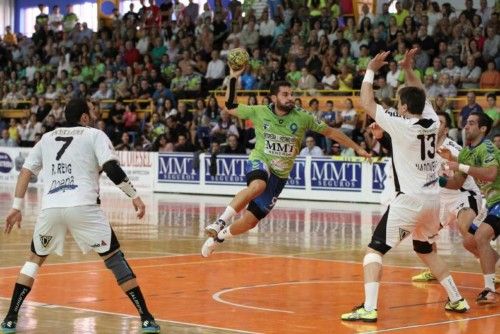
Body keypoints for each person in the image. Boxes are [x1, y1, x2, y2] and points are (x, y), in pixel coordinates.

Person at [0, 99, 160, 333]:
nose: (95, 115)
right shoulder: (94, 135)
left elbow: (26, 172)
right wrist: (134, 196)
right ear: (84, 117)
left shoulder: (46, 138)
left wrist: (16, 207)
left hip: (51, 209)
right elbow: (112, 168)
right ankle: (146, 318)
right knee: (115, 260)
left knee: (33, 261)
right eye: (92, 111)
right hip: (84, 207)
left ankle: (10, 319)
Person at [341, 49, 470, 323]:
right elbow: (419, 92)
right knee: (425, 249)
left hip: (409, 201)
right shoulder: (433, 121)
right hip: (432, 200)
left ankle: (370, 308)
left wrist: (370, 68)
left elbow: (366, 101)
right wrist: (409, 68)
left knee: (375, 250)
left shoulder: (401, 124)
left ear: (402, 107)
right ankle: (457, 299)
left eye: (399, 102)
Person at [201, 67, 370, 257]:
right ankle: (220, 221)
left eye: (291, 94)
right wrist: (233, 77)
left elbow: (331, 132)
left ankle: (219, 237)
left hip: (280, 175)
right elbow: (230, 106)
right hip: (260, 160)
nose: (290, 97)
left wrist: (357, 148)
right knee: (258, 185)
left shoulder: (303, 117)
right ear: (274, 98)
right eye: (285, 94)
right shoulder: (259, 111)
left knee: (250, 222)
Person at [410, 112, 482, 282]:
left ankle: (489, 264)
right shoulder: (424, 148)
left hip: (462, 195)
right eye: (434, 122)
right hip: (440, 200)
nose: (436, 125)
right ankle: (434, 269)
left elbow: (464, 173)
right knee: (422, 234)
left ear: (446, 129)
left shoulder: (453, 148)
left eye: (440, 122)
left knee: (465, 228)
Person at [439, 111, 499, 304]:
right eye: (466, 122)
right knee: (469, 241)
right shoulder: (466, 152)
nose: (466, 126)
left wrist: (459, 166)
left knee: (481, 236)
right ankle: (494, 261)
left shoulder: (488, 148)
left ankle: (489, 290)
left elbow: (490, 174)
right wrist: (437, 180)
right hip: (490, 203)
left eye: (472, 123)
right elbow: (456, 184)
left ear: (483, 129)